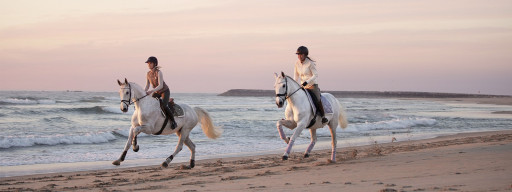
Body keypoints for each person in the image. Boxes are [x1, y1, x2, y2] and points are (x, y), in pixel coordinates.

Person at [293, 46, 328, 124]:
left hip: (312, 85)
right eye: (298, 54)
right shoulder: (296, 63)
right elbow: (296, 75)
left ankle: (323, 116)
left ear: (305, 55)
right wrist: (295, 84)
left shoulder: (310, 63)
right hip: (303, 86)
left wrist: (307, 81)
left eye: (301, 54)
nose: (299, 56)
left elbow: (315, 75)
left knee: (317, 99)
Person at [144, 56, 177, 129]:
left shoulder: (159, 72)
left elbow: (160, 85)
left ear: (155, 64)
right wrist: (143, 92)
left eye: (150, 63)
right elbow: (147, 85)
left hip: (164, 91)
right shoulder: (148, 74)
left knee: (164, 106)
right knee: (151, 104)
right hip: (157, 91)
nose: (149, 64)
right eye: (148, 63)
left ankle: (173, 121)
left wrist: (151, 91)